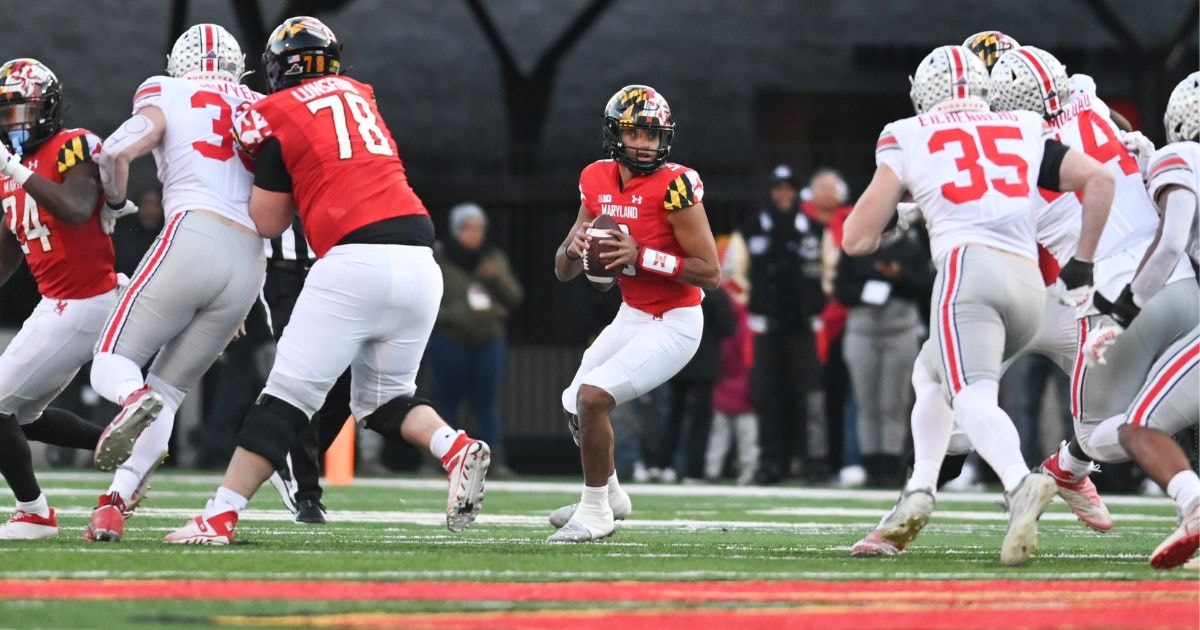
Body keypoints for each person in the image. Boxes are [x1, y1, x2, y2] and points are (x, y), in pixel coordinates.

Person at [165, 16, 490, 544]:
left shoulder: (274, 113)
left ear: (276, 69)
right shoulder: (361, 98)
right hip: (419, 262)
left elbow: (269, 221)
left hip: (353, 262)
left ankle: (219, 514)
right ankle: (453, 447)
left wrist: (251, 167)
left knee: (285, 395)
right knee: (384, 399)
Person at [841, 45, 1114, 565]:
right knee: (934, 377)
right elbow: (1099, 177)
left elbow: (855, 238)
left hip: (971, 273)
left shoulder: (907, 132)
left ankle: (1018, 484)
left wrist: (901, 214)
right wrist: (1085, 260)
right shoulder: (1028, 125)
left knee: (967, 395)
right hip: (1038, 286)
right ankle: (919, 496)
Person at [988, 47, 1197, 527]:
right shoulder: (1084, 94)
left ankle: (1069, 468)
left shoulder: (1014, 150)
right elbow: (1117, 122)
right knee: (1173, 398)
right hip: (1180, 281)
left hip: (1111, 297)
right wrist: (1126, 141)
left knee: (1101, 429)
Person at [84, 24, 268, 543]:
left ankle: (129, 401)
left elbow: (116, 153)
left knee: (114, 365)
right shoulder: (257, 103)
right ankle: (113, 505)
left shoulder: (166, 88)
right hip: (249, 259)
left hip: (193, 232)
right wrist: (249, 297)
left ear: (179, 60)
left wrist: (115, 207)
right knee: (168, 390)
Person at [548, 84, 720, 542]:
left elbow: (710, 272)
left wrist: (641, 255)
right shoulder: (596, 179)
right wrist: (574, 247)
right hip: (632, 313)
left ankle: (595, 511)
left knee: (592, 398)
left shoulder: (677, 185)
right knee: (573, 404)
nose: (645, 144)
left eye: (653, 135)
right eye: (635, 133)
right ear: (614, 134)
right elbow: (563, 268)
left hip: (676, 321)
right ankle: (613, 494)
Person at [0, 58, 132, 540]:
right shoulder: (10, 173)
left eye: (21, 111)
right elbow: (9, 250)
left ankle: (34, 514)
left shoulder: (71, 145)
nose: (12, 123)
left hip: (84, 300)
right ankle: (126, 452)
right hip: (58, 302)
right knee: (24, 418)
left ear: (48, 109)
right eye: (5, 113)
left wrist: (13, 167)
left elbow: (76, 210)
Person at [1073, 72, 1200, 569]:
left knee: (1140, 427)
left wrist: (1124, 312)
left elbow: (1170, 242)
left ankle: (1193, 511)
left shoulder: (1182, 156)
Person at [729, 165, 826, 484]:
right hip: (767, 329)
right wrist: (755, 305)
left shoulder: (814, 230)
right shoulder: (751, 229)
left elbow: (830, 272)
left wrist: (816, 303)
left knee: (807, 396)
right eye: (778, 189)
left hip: (803, 328)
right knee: (768, 396)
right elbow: (733, 275)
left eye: (789, 189)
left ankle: (811, 462)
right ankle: (772, 463)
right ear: (769, 193)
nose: (784, 195)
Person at [260, 214, 354, 525]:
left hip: (334, 273)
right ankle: (306, 494)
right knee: (305, 374)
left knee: (351, 383)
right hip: (283, 273)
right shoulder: (270, 165)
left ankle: (287, 457)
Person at [428, 202, 523, 476]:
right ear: (457, 230)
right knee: (446, 400)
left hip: (489, 340)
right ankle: (443, 459)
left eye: (480, 228)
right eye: (470, 228)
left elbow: (514, 297)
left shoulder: (492, 258)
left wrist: (498, 279)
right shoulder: (440, 258)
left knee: (486, 402)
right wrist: (450, 317)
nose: (476, 234)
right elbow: (428, 297)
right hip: (450, 339)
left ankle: (494, 460)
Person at [835, 221, 932, 487]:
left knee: (894, 399)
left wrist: (899, 275)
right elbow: (841, 290)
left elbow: (926, 284)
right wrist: (870, 283)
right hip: (863, 328)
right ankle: (870, 461)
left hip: (900, 328)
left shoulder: (909, 245)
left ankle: (890, 461)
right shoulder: (855, 245)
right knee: (865, 399)